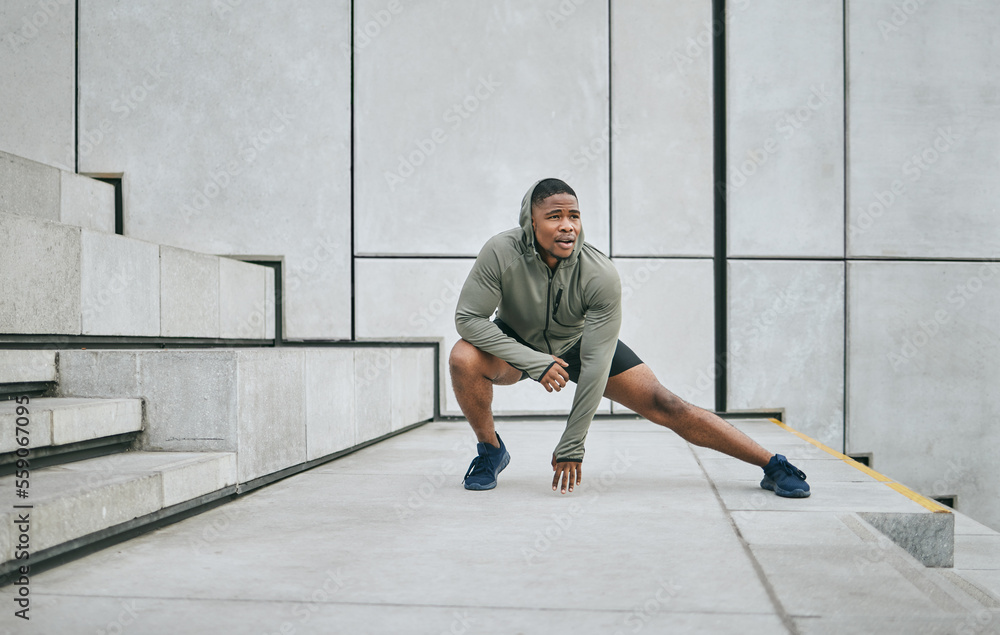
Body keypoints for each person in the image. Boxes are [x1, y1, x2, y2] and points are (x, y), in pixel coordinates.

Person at [450, 178, 810, 498]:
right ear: (531, 219)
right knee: (462, 358)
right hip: (514, 341)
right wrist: (535, 362)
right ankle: (491, 451)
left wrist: (573, 442)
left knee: (666, 403)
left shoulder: (599, 273)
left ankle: (773, 465)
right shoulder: (500, 251)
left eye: (573, 216)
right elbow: (468, 319)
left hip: (578, 343)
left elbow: (594, 366)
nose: (567, 226)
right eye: (554, 216)